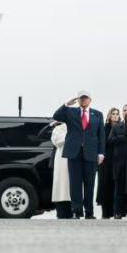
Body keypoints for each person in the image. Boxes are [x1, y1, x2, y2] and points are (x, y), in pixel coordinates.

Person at [52, 90, 106, 219]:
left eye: (85, 98)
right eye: (81, 98)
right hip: (74, 153)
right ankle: (76, 211)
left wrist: (101, 153)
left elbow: (101, 135)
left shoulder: (97, 114)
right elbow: (56, 115)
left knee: (90, 183)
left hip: (91, 153)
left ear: (90, 100)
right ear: (78, 100)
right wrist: (66, 104)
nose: (83, 100)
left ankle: (89, 212)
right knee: (75, 183)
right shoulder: (71, 112)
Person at [96, 108, 121, 219]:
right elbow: (103, 142)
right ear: (109, 116)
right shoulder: (104, 128)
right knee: (104, 185)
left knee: (115, 185)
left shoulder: (121, 127)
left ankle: (116, 211)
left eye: (117, 114)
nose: (115, 116)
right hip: (105, 160)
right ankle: (105, 212)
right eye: (113, 114)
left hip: (117, 160)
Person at [50, 121, 71, 218]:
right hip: (61, 161)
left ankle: (72, 211)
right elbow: (56, 141)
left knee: (71, 187)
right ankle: (61, 212)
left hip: (73, 160)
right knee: (60, 187)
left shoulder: (75, 127)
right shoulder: (58, 128)